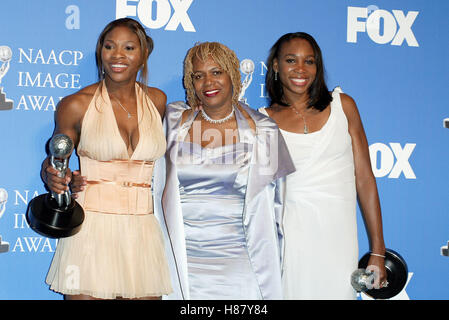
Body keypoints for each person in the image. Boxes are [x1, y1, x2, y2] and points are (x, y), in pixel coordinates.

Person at [40, 18, 172, 300]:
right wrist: (54, 174)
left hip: (142, 230)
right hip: (90, 228)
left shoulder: (158, 101)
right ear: (100, 52)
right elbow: (56, 156)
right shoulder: (76, 104)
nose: (117, 55)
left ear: (143, 54)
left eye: (128, 47)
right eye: (109, 46)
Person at [152, 42, 295, 300]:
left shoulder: (264, 131)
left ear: (233, 75)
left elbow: (279, 208)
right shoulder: (173, 122)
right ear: (190, 81)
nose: (208, 82)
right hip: (180, 259)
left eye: (217, 72)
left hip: (241, 262)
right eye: (198, 75)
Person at [259, 32, 388, 299]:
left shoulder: (344, 106)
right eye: (291, 60)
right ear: (275, 66)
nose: (300, 69)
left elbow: (364, 179)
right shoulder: (262, 122)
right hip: (289, 243)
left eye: (309, 61)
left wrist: (378, 250)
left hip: (338, 241)